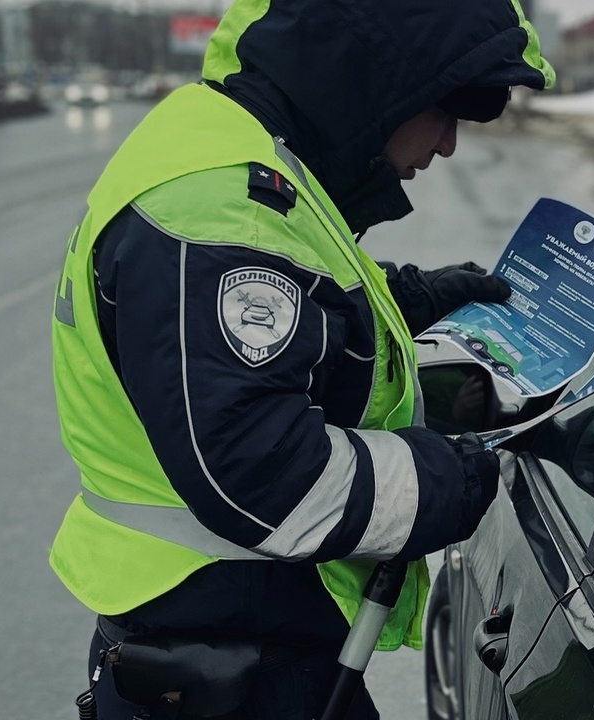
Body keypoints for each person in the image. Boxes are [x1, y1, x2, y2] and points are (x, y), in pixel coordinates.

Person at [48, 1, 554, 717]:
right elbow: (262, 474)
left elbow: (272, 325)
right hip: (225, 663)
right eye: (447, 110)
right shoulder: (217, 206)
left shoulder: (241, 162)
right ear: (376, 83)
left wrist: (410, 301)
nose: (446, 144)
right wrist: (455, 475)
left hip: (231, 640)